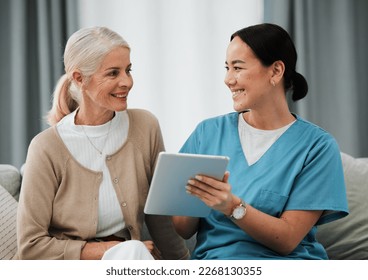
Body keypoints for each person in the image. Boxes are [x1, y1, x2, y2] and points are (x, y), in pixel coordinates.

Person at [173, 23, 349, 259]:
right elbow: (183, 229)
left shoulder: (317, 147)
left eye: (237, 67)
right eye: (227, 68)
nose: (228, 79)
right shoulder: (208, 133)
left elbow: (287, 240)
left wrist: (231, 206)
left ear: (276, 71)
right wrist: (196, 196)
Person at [16, 26, 189, 260]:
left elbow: (159, 215)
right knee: (134, 250)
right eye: (113, 73)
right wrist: (107, 250)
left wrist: (183, 266)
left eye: (128, 70)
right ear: (79, 78)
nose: (126, 82)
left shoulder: (145, 126)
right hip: (68, 267)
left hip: (127, 264)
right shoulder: (46, 147)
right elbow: (31, 247)